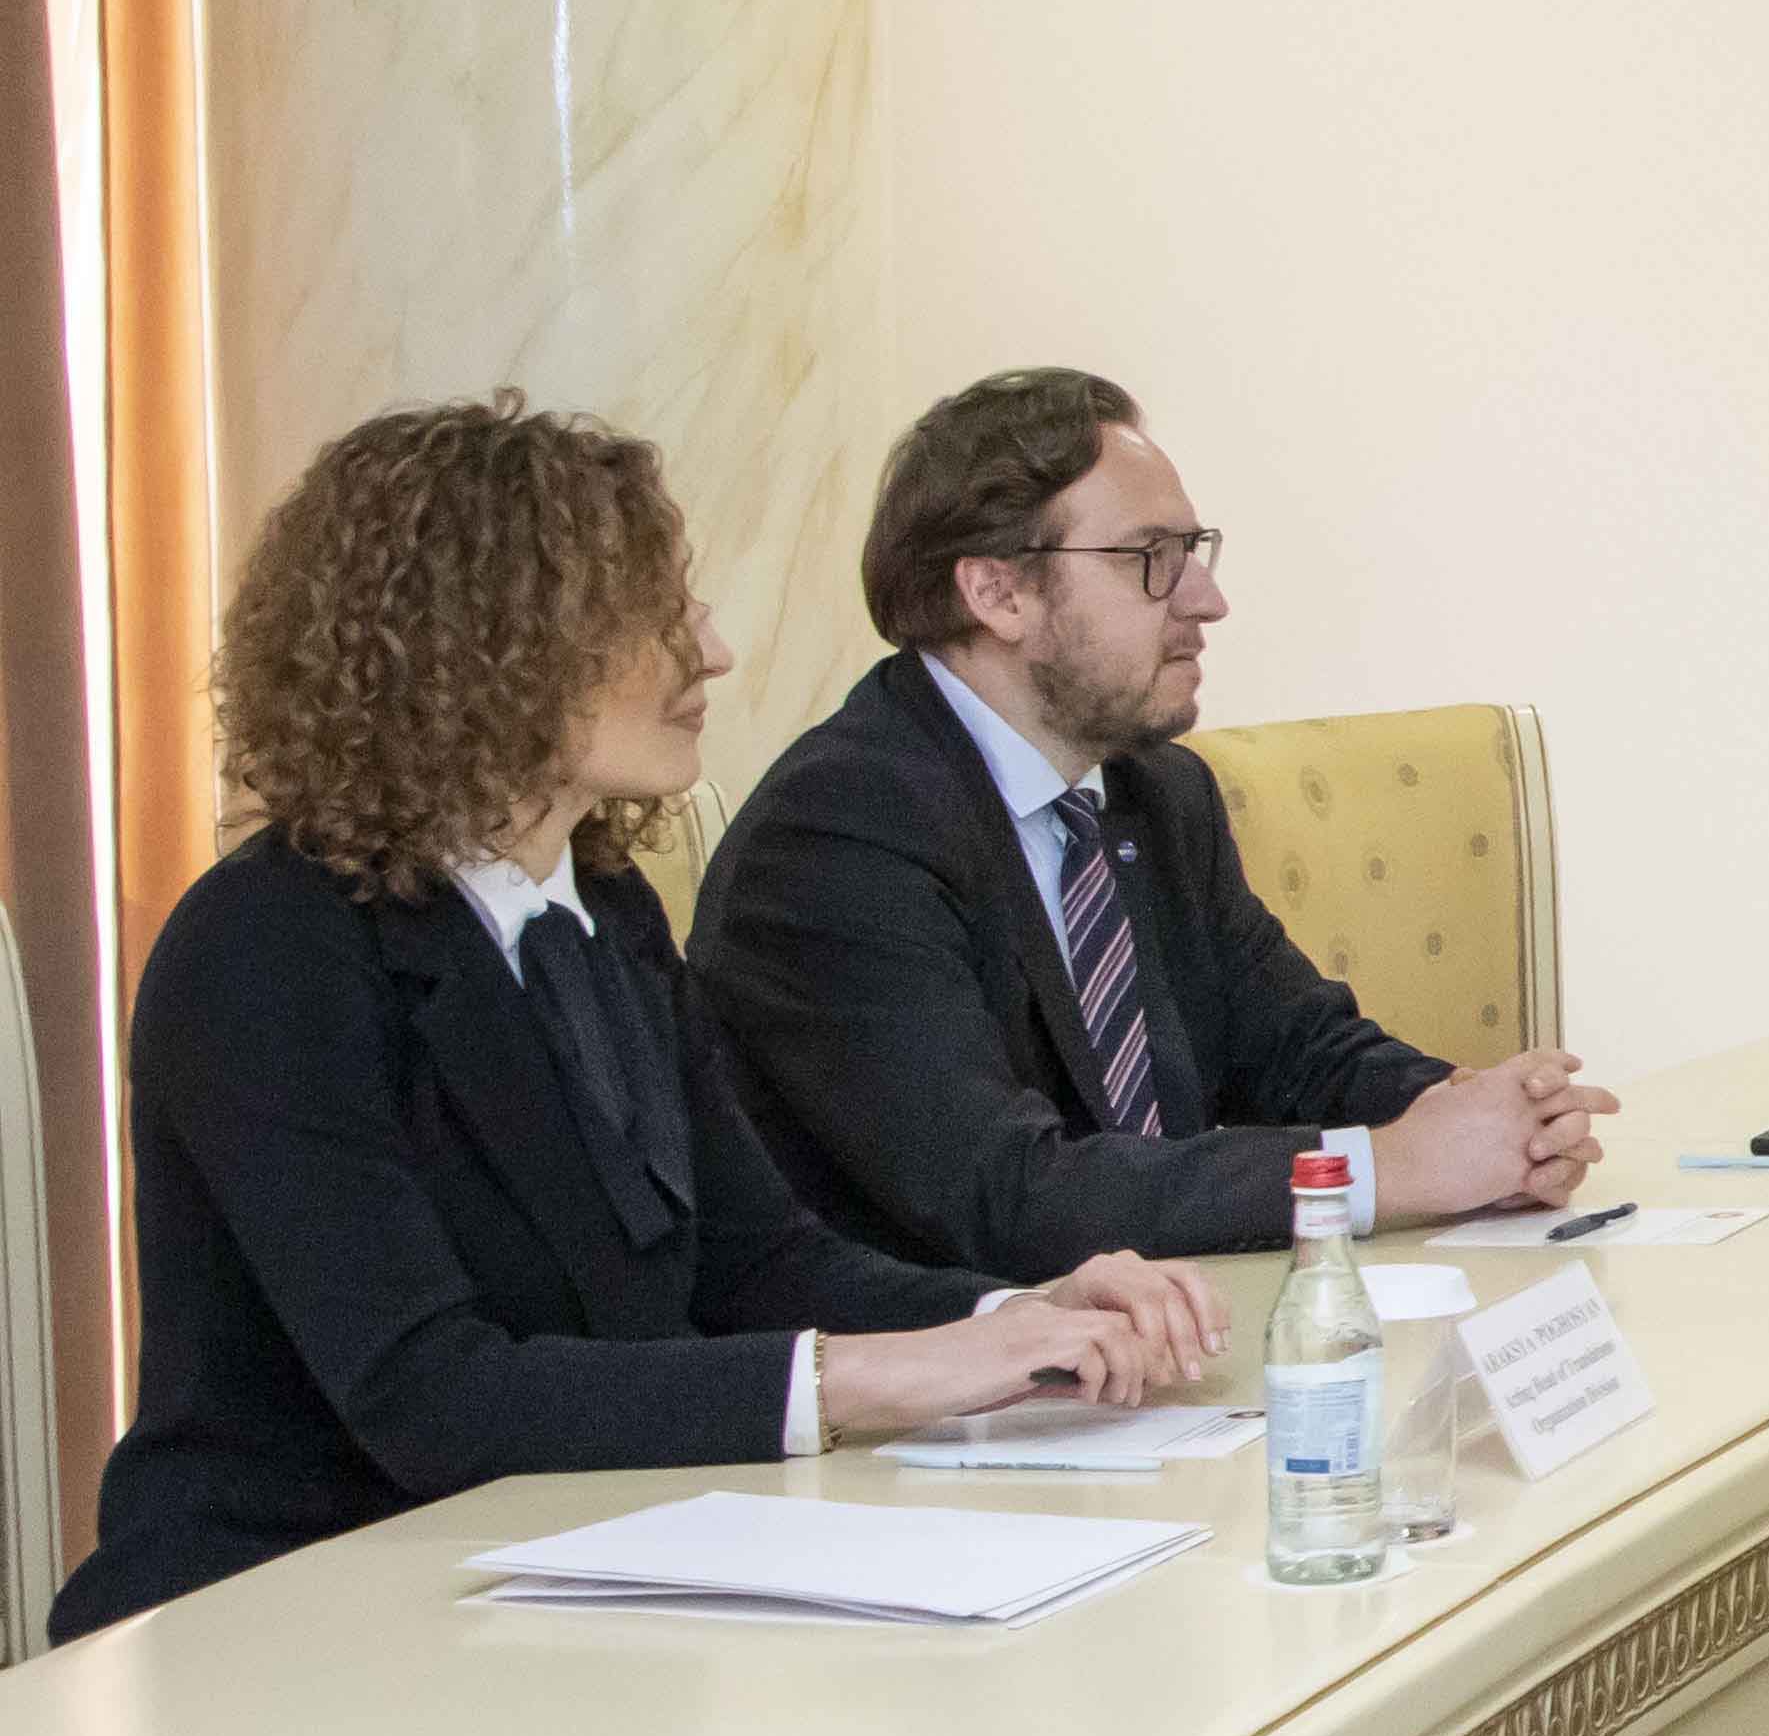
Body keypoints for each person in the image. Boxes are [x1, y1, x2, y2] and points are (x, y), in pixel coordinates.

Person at [50, 399, 1224, 1638]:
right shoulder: (266, 945)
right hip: (284, 1610)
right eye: (656, 614)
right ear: (488, 648)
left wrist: (1019, 1318)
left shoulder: (606, 909)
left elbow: (757, 1259)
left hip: (558, 1565)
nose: (712, 650)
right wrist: (880, 1377)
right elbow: (430, 1395)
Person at [698, 370, 1608, 1275]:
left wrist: (1489, 1115)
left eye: (1194, 551)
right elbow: (1009, 1193)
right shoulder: (836, 837)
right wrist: (1382, 1168)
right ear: (998, 592)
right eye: (1151, 557)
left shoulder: (1158, 792)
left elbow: (1297, 1048)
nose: (1205, 599)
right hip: (955, 1352)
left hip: (1165, 1331)